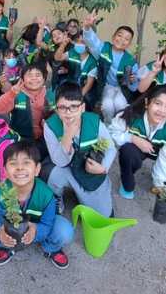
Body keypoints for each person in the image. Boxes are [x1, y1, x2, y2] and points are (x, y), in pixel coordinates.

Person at [0, 142, 75, 269]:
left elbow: (48, 224)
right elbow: (2, 218)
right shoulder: (2, 192)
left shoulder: (46, 195)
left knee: (65, 231)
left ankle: (50, 248)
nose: (20, 168)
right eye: (13, 163)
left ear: (37, 169)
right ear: (5, 170)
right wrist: (1, 233)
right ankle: (8, 246)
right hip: (14, 228)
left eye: (26, 163)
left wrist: (36, 230)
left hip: (40, 225)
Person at [109, 85, 166, 201]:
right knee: (127, 151)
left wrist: (159, 182)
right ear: (147, 103)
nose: (162, 110)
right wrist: (133, 138)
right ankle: (127, 181)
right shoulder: (129, 115)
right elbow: (112, 133)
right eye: (158, 103)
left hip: (162, 150)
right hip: (138, 148)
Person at [44, 83, 116, 217]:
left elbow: (111, 149)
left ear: (82, 107)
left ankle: (95, 191)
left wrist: (103, 168)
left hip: (89, 169)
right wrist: (67, 136)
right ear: (56, 109)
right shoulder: (50, 125)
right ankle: (57, 196)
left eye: (74, 107)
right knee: (47, 173)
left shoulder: (94, 122)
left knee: (103, 215)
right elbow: (58, 161)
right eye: (63, 108)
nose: (68, 113)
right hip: (66, 168)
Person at [81, 10, 139, 124]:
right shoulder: (103, 49)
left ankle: (120, 127)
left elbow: (135, 86)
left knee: (120, 105)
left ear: (129, 44)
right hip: (107, 86)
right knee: (107, 106)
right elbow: (91, 41)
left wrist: (132, 80)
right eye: (120, 36)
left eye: (127, 39)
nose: (122, 39)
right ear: (113, 37)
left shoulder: (131, 61)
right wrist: (87, 27)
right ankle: (108, 127)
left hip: (123, 90)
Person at [0, 63, 55, 161]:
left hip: (43, 138)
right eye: (29, 76)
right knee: (21, 159)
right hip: (19, 138)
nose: (34, 78)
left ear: (43, 79)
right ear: (22, 80)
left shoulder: (52, 96)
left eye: (38, 75)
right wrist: (11, 94)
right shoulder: (17, 95)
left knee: (38, 159)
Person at [55, 31, 98, 111]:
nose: (79, 44)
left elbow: (89, 85)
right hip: (71, 85)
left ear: (89, 45)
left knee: (84, 104)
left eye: (82, 42)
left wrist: (77, 97)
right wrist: (63, 45)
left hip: (84, 91)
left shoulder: (92, 62)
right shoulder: (72, 53)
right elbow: (58, 57)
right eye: (77, 41)